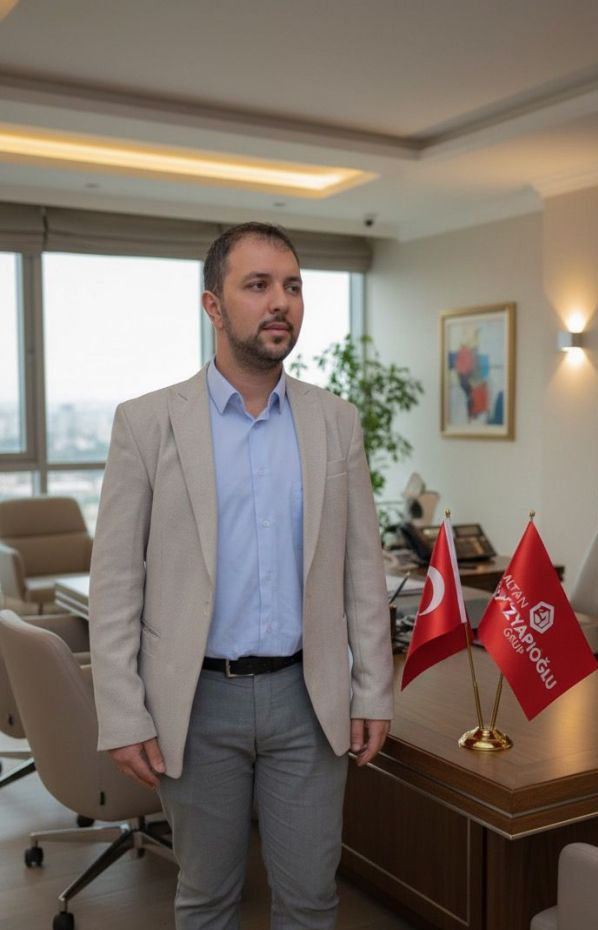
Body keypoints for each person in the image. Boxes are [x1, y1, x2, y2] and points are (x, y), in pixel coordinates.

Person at [89, 222, 394, 930]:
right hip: (196, 703)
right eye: (257, 285)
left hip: (307, 699)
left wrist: (373, 690)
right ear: (213, 306)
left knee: (311, 901)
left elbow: (362, 568)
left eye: (292, 286)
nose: (280, 301)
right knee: (206, 900)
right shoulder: (147, 423)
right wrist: (123, 713)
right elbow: (115, 583)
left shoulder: (336, 421)